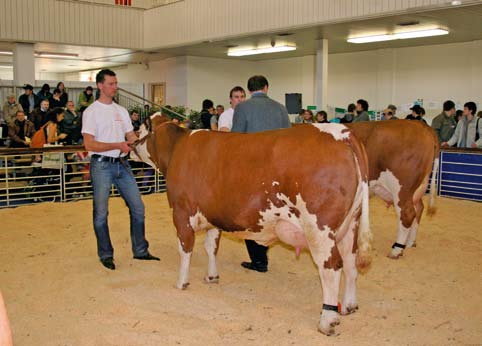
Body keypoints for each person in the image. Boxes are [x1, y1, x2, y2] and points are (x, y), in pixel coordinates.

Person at [82, 69, 159, 270]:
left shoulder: (121, 111)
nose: (115, 87)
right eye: (111, 83)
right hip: (101, 165)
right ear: (100, 86)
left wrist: (141, 139)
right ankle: (106, 254)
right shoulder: (91, 112)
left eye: (116, 83)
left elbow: (130, 136)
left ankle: (140, 250)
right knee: (100, 213)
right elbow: (89, 144)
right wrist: (117, 145)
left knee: (138, 208)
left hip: (123, 164)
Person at [231, 75, 290, 273]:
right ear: (266, 88)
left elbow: (236, 139)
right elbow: (289, 139)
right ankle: (262, 255)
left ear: (249, 90)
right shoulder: (281, 108)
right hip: (279, 169)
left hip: (252, 169)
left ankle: (259, 261)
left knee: (252, 215)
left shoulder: (242, 108)